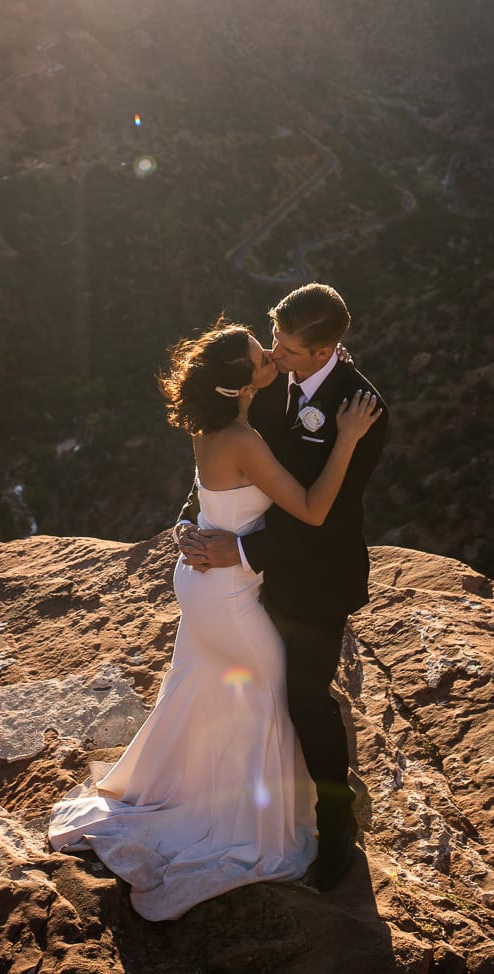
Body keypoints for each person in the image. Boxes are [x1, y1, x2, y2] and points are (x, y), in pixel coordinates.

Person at [48, 320, 381, 921]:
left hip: (206, 583)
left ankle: (200, 792)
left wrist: (188, 526)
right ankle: (251, 824)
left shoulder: (214, 426)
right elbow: (311, 508)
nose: (272, 358)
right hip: (227, 590)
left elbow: (209, 494)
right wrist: (347, 439)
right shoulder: (243, 436)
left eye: (276, 348)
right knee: (270, 695)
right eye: (263, 356)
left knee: (204, 685)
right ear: (240, 386)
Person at [177, 283, 388, 893]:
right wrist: (194, 518)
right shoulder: (269, 382)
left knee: (303, 697)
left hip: (314, 580)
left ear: (327, 350)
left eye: (290, 348)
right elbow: (222, 445)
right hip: (245, 583)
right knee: (253, 689)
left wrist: (240, 549)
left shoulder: (361, 409)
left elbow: (328, 520)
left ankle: (335, 822)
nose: (275, 355)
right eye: (274, 340)